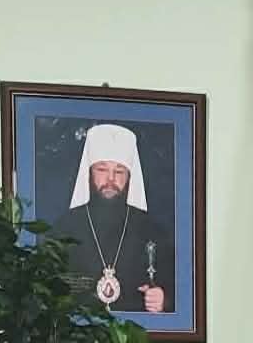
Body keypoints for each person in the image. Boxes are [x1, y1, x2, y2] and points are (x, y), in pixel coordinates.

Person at [48, 122, 174, 314]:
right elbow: (47, 289)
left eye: (119, 171)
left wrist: (164, 300)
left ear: (130, 177)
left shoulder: (152, 230)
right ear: (89, 173)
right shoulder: (64, 228)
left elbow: (178, 288)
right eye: (102, 169)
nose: (110, 180)